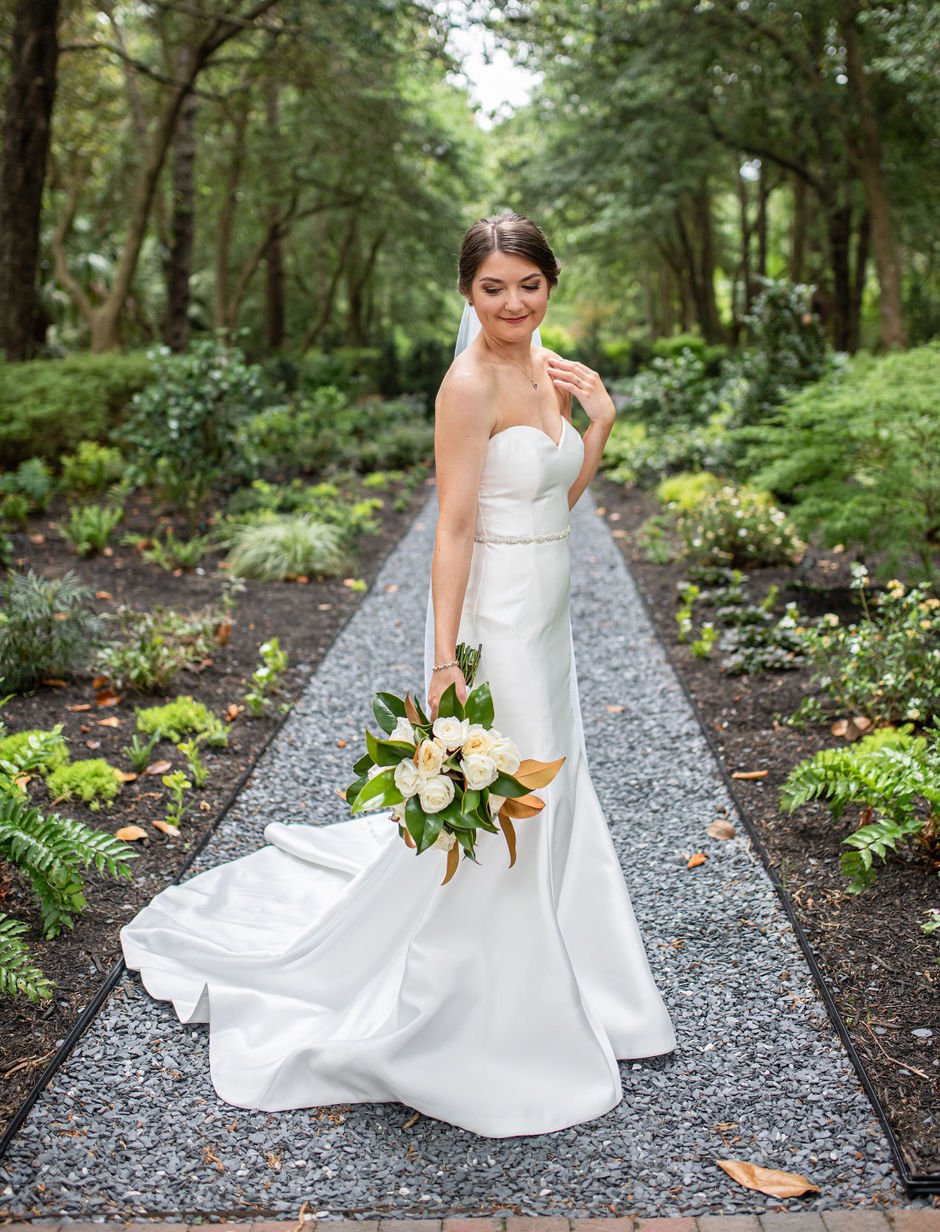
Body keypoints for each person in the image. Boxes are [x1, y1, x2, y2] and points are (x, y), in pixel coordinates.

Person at [120, 211, 674, 1137]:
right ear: (468, 292)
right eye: (493, 287)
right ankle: (489, 997)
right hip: (495, 614)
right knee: (508, 796)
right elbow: (454, 528)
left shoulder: (551, 369)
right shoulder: (466, 385)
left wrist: (599, 423)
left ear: (550, 286)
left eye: (528, 285)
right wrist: (445, 659)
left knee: (557, 783)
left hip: (549, 612)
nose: (511, 303)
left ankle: (574, 968)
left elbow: (553, 497)